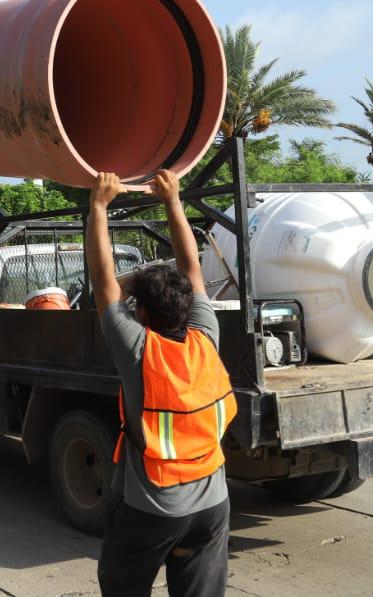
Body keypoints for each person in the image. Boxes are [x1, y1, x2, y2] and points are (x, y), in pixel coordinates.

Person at [88, 169, 236, 597]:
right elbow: (192, 269)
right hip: (213, 503)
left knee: (122, 586)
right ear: (188, 307)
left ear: (145, 316)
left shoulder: (138, 350)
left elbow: (103, 284)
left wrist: (99, 206)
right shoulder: (205, 336)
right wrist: (173, 200)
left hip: (154, 507)